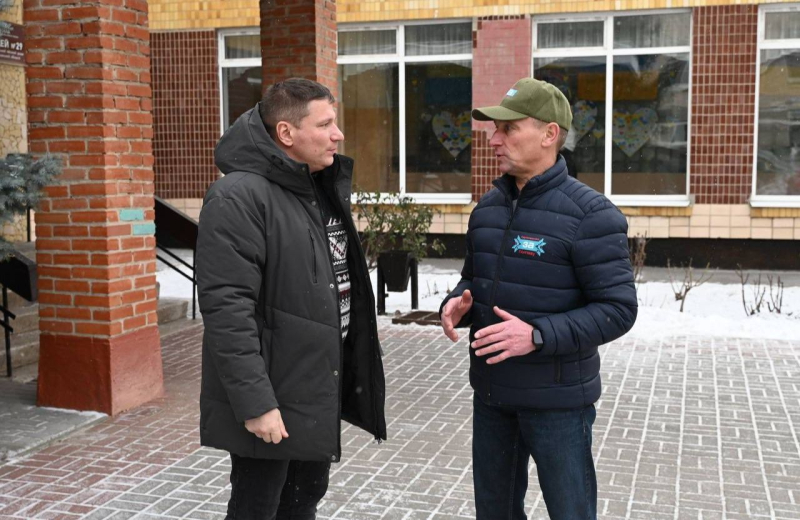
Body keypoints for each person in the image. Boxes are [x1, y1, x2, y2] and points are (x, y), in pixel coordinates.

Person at [439, 77, 637, 520]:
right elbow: (473, 277)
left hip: (558, 405)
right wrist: (458, 302)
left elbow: (618, 310)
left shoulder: (591, 215)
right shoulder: (488, 209)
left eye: (509, 129)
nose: (494, 139)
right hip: (492, 396)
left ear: (549, 134)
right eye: (495, 129)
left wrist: (537, 335)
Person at [196, 78, 387, 520]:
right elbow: (227, 310)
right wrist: (257, 404)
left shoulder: (316, 186)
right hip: (272, 397)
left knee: (303, 501)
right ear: (286, 133)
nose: (338, 134)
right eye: (325, 124)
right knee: (258, 508)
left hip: (313, 386)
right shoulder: (237, 197)